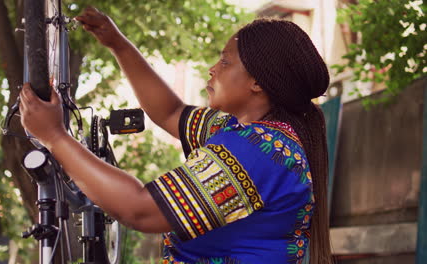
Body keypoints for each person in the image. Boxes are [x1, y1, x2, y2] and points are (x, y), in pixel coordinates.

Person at [19, 6, 333, 264]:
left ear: (258, 83)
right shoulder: (240, 132)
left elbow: (140, 210)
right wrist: (117, 43)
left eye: (225, 61)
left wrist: (56, 137)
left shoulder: (258, 152)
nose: (213, 68)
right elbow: (170, 112)